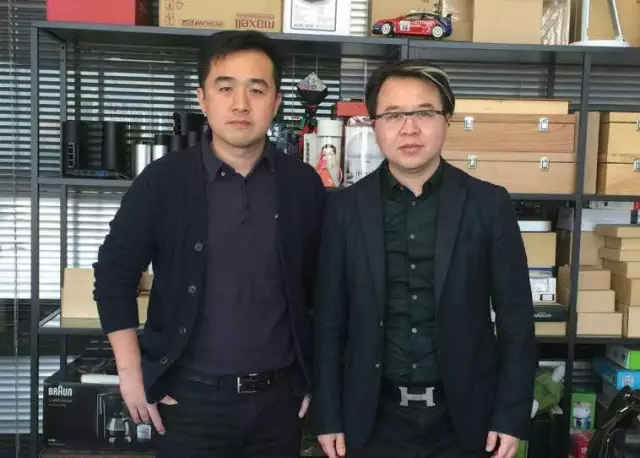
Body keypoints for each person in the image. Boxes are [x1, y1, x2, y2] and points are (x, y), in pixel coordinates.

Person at [93, 30, 326, 458]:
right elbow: (113, 275)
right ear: (202, 99)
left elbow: (322, 291)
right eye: (225, 88)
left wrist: (317, 378)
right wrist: (131, 373)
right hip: (187, 405)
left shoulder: (302, 185)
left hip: (279, 407)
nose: (241, 104)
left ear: (276, 102)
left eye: (256, 89)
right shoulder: (163, 182)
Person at [311, 59, 536, 458]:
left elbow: (516, 319)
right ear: (374, 125)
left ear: (447, 120)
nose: (409, 128)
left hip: (466, 420)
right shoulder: (343, 210)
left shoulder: (488, 205)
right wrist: (327, 415)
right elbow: (329, 322)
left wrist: (511, 415)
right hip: (371, 419)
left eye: (424, 113)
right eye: (393, 115)